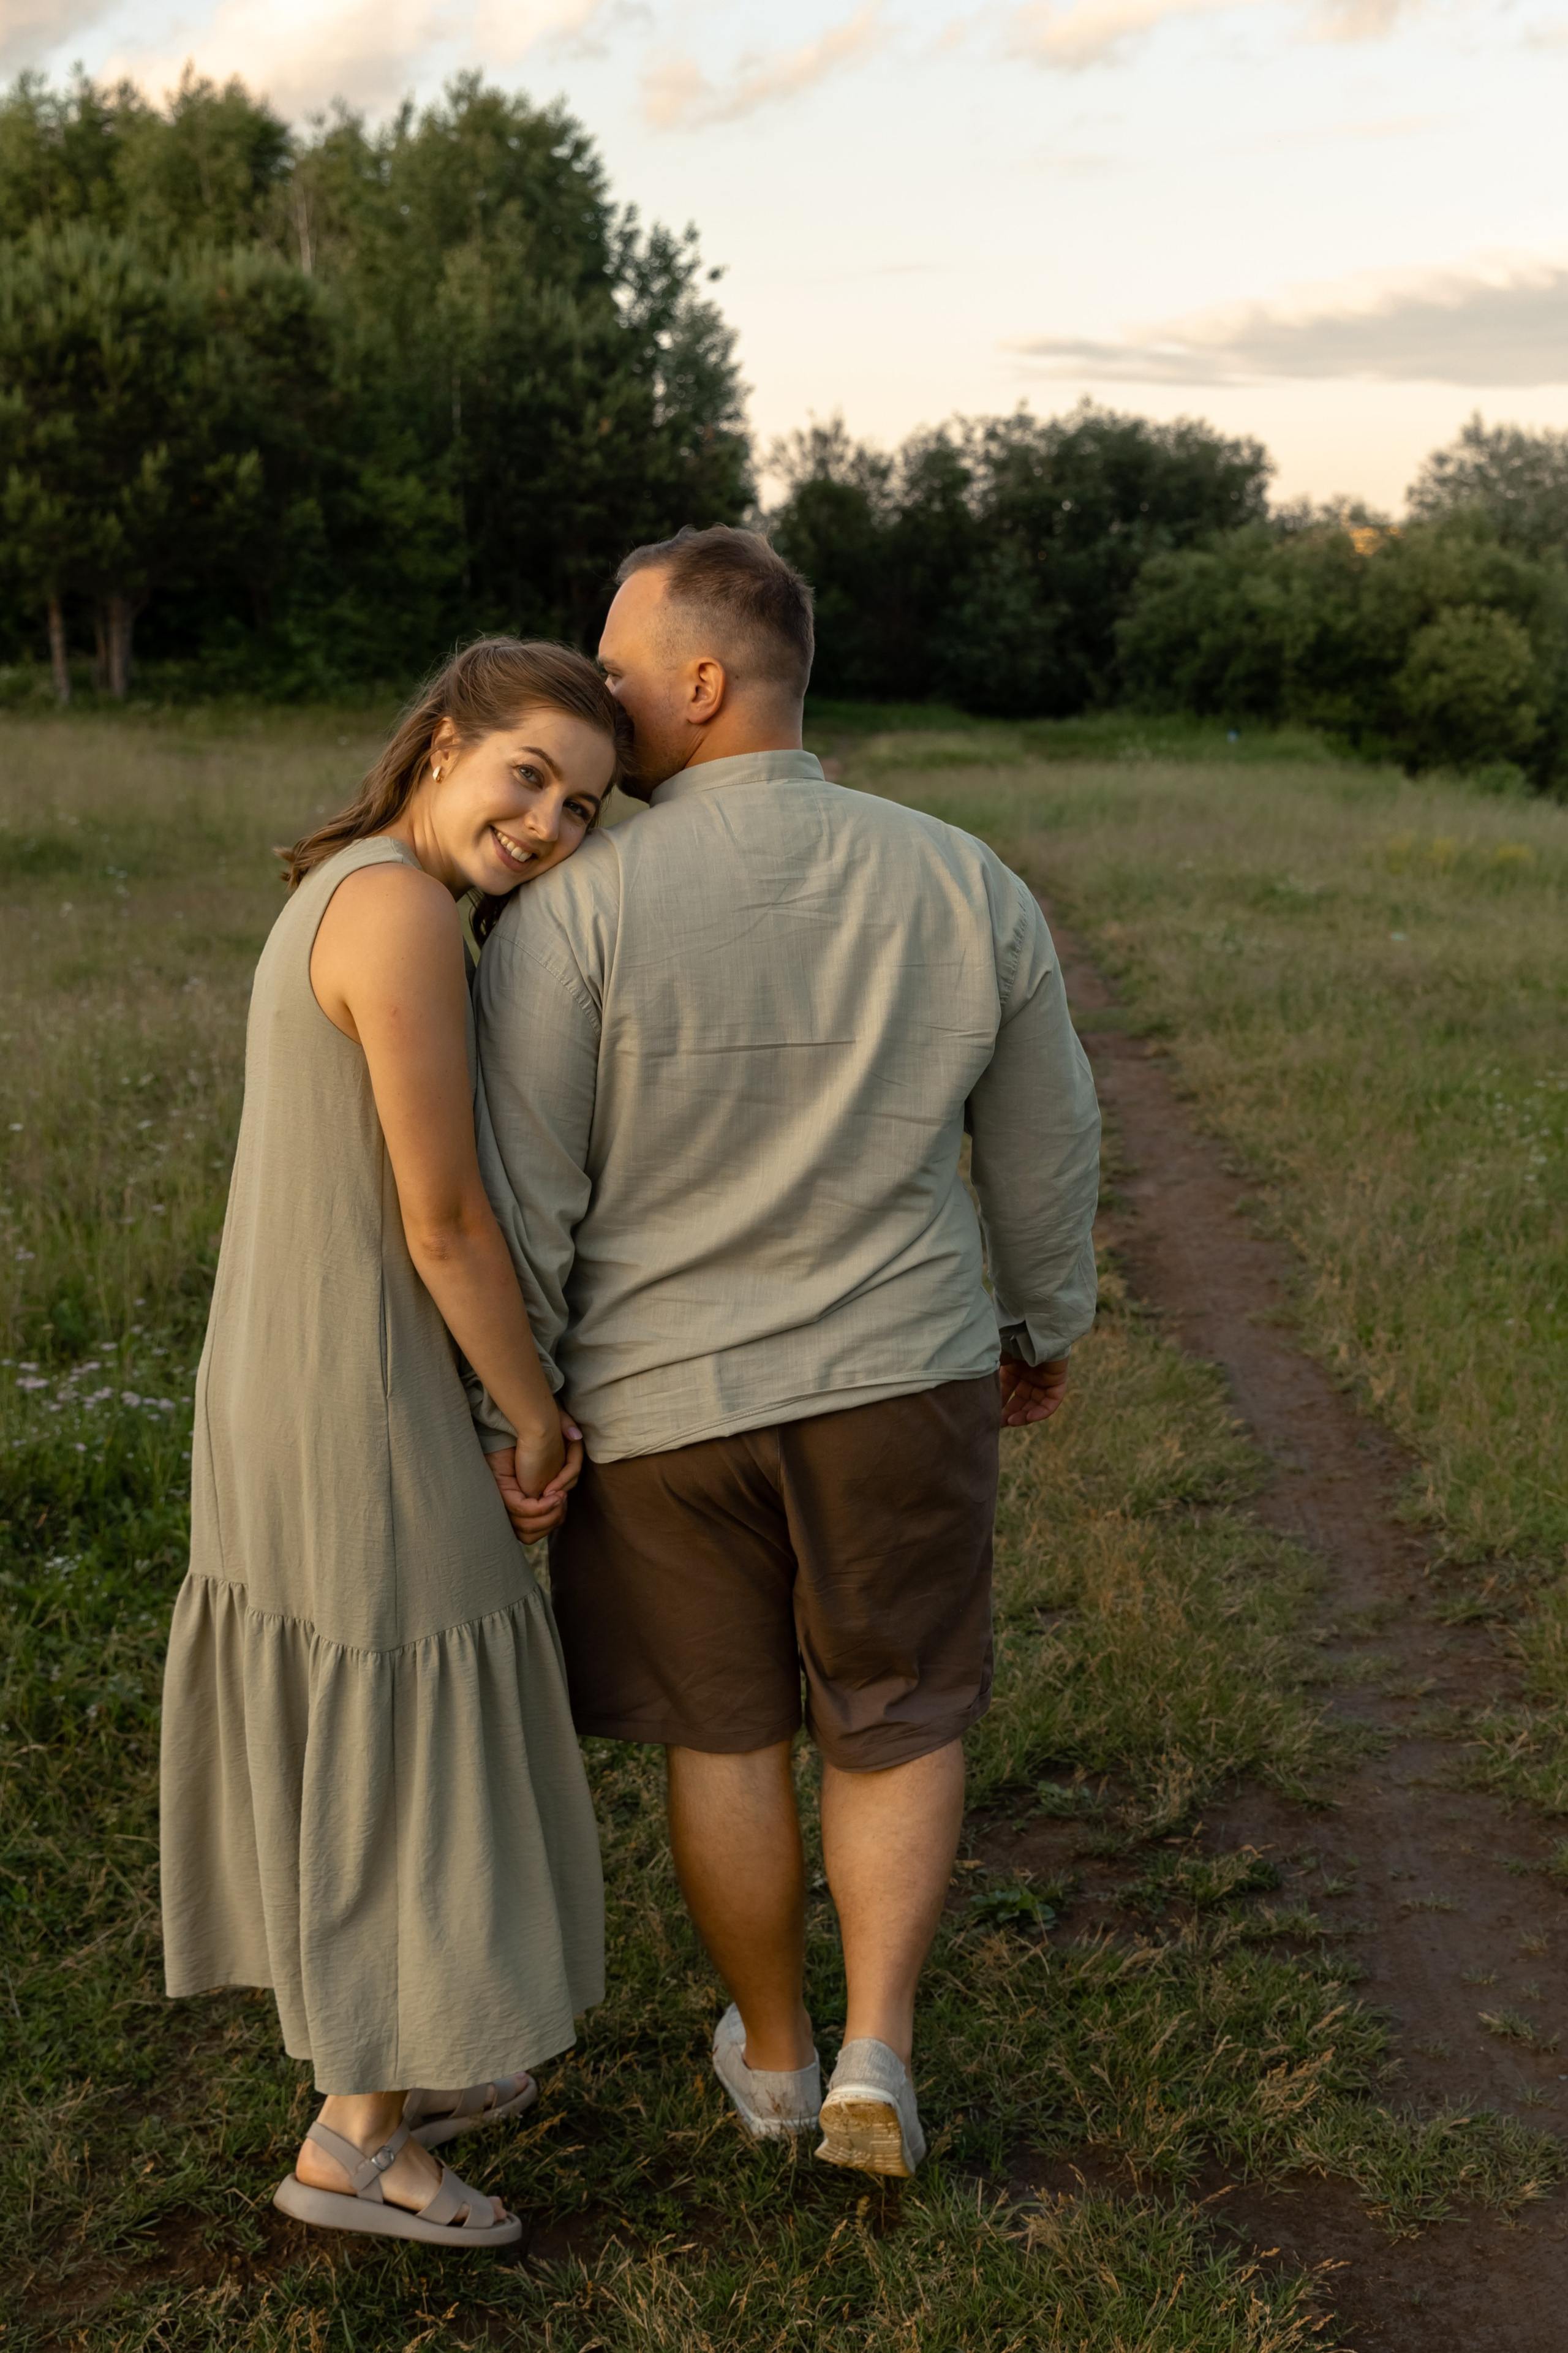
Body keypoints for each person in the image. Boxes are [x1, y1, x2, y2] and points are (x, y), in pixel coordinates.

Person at [469, 529, 1101, 2180]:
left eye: (618, 669)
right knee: (898, 1711)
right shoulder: (962, 877)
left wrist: (520, 1409)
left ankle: (772, 2052)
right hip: (902, 1381)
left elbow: (527, 1190)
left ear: (701, 682)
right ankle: (878, 2051)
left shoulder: (573, 905)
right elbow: (1046, 1141)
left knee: (725, 1733)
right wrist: (1041, 1320)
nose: (599, 693)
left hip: (658, 1408)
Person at [159, 640, 623, 2249]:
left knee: (377, 1706)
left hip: (290, 1359)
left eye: (584, 806)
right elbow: (443, 1222)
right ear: (441, 745)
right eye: (528, 776)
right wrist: (538, 1415)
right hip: (353, 1378)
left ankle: (396, 2062)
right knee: (408, 1720)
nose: (549, 824)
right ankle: (355, 2141)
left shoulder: (348, 884)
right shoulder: (404, 911)